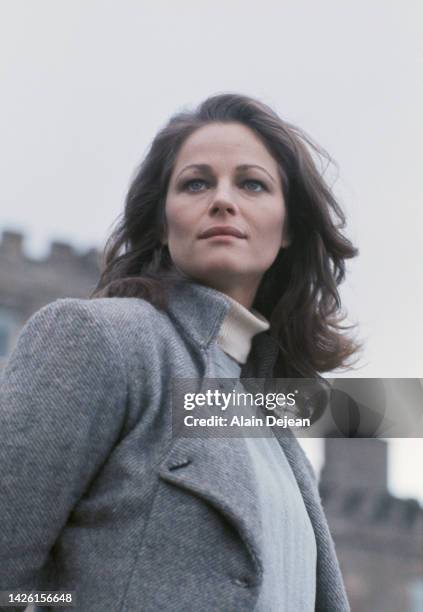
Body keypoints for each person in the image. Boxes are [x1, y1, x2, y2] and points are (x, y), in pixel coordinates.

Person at [0, 93, 358, 611]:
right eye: (196, 183)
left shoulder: (268, 420)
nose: (222, 199)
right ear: (163, 223)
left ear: (288, 228)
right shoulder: (99, 339)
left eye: (252, 183)